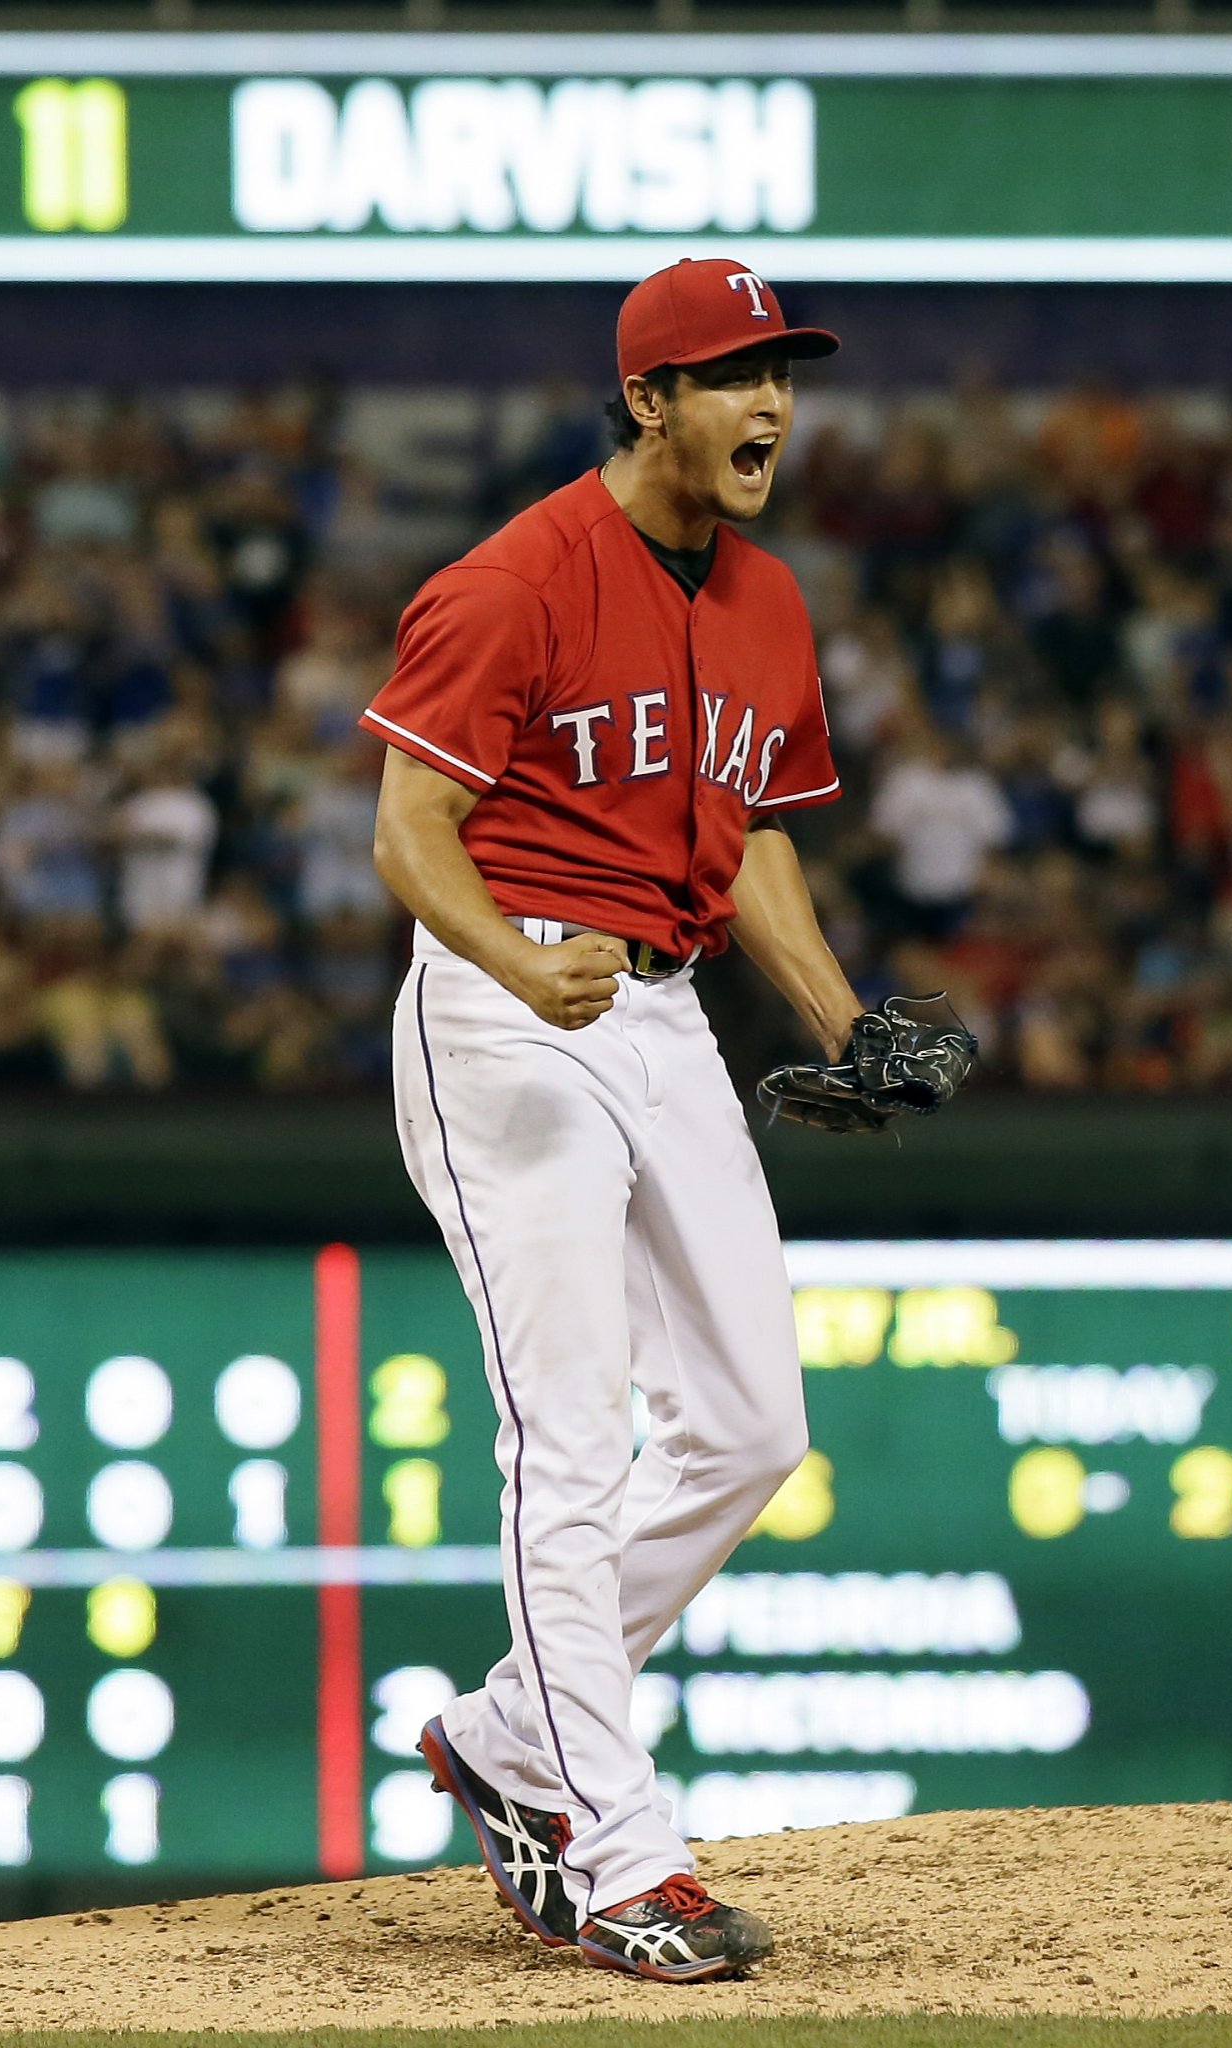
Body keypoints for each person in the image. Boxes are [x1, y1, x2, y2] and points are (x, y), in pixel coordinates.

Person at [362, 259, 859, 1982]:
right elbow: (410, 831)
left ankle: (512, 1733)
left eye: (782, 373)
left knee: (750, 1424)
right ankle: (606, 1843)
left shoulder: (771, 602)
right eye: (736, 376)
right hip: (506, 1012)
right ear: (650, 399)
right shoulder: (514, 579)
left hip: (664, 1008)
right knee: (568, 1440)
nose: (772, 406)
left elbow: (763, 836)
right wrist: (510, 958)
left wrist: (841, 1019)